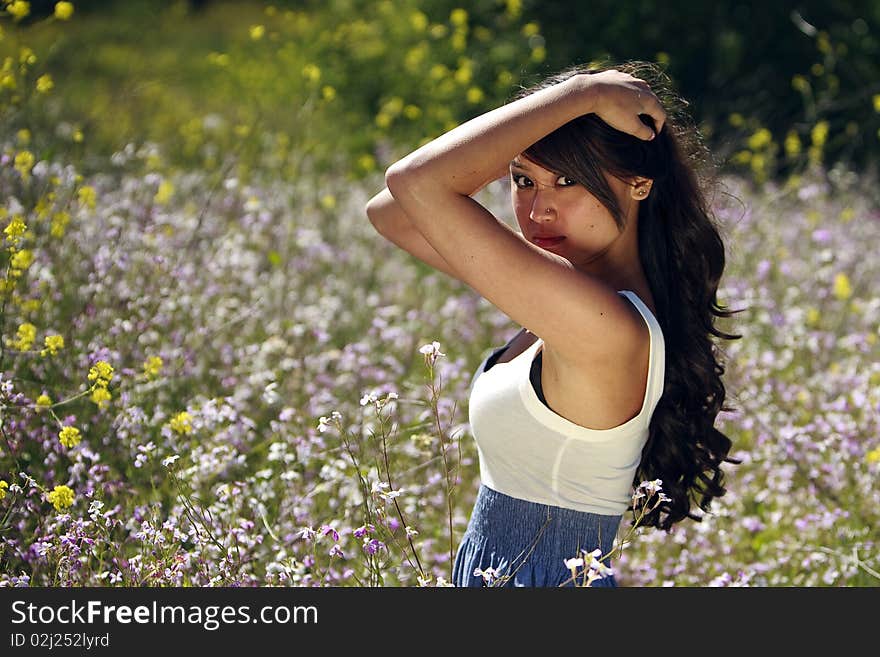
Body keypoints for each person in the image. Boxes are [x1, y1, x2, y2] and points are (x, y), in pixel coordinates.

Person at [365, 60, 741, 587]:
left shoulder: (603, 322)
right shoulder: (582, 297)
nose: (538, 210)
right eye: (522, 180)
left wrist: (580, 94)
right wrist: (568, 105)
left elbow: (412, 184)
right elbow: (394, 211)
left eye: (566, 181)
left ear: (638, 184)